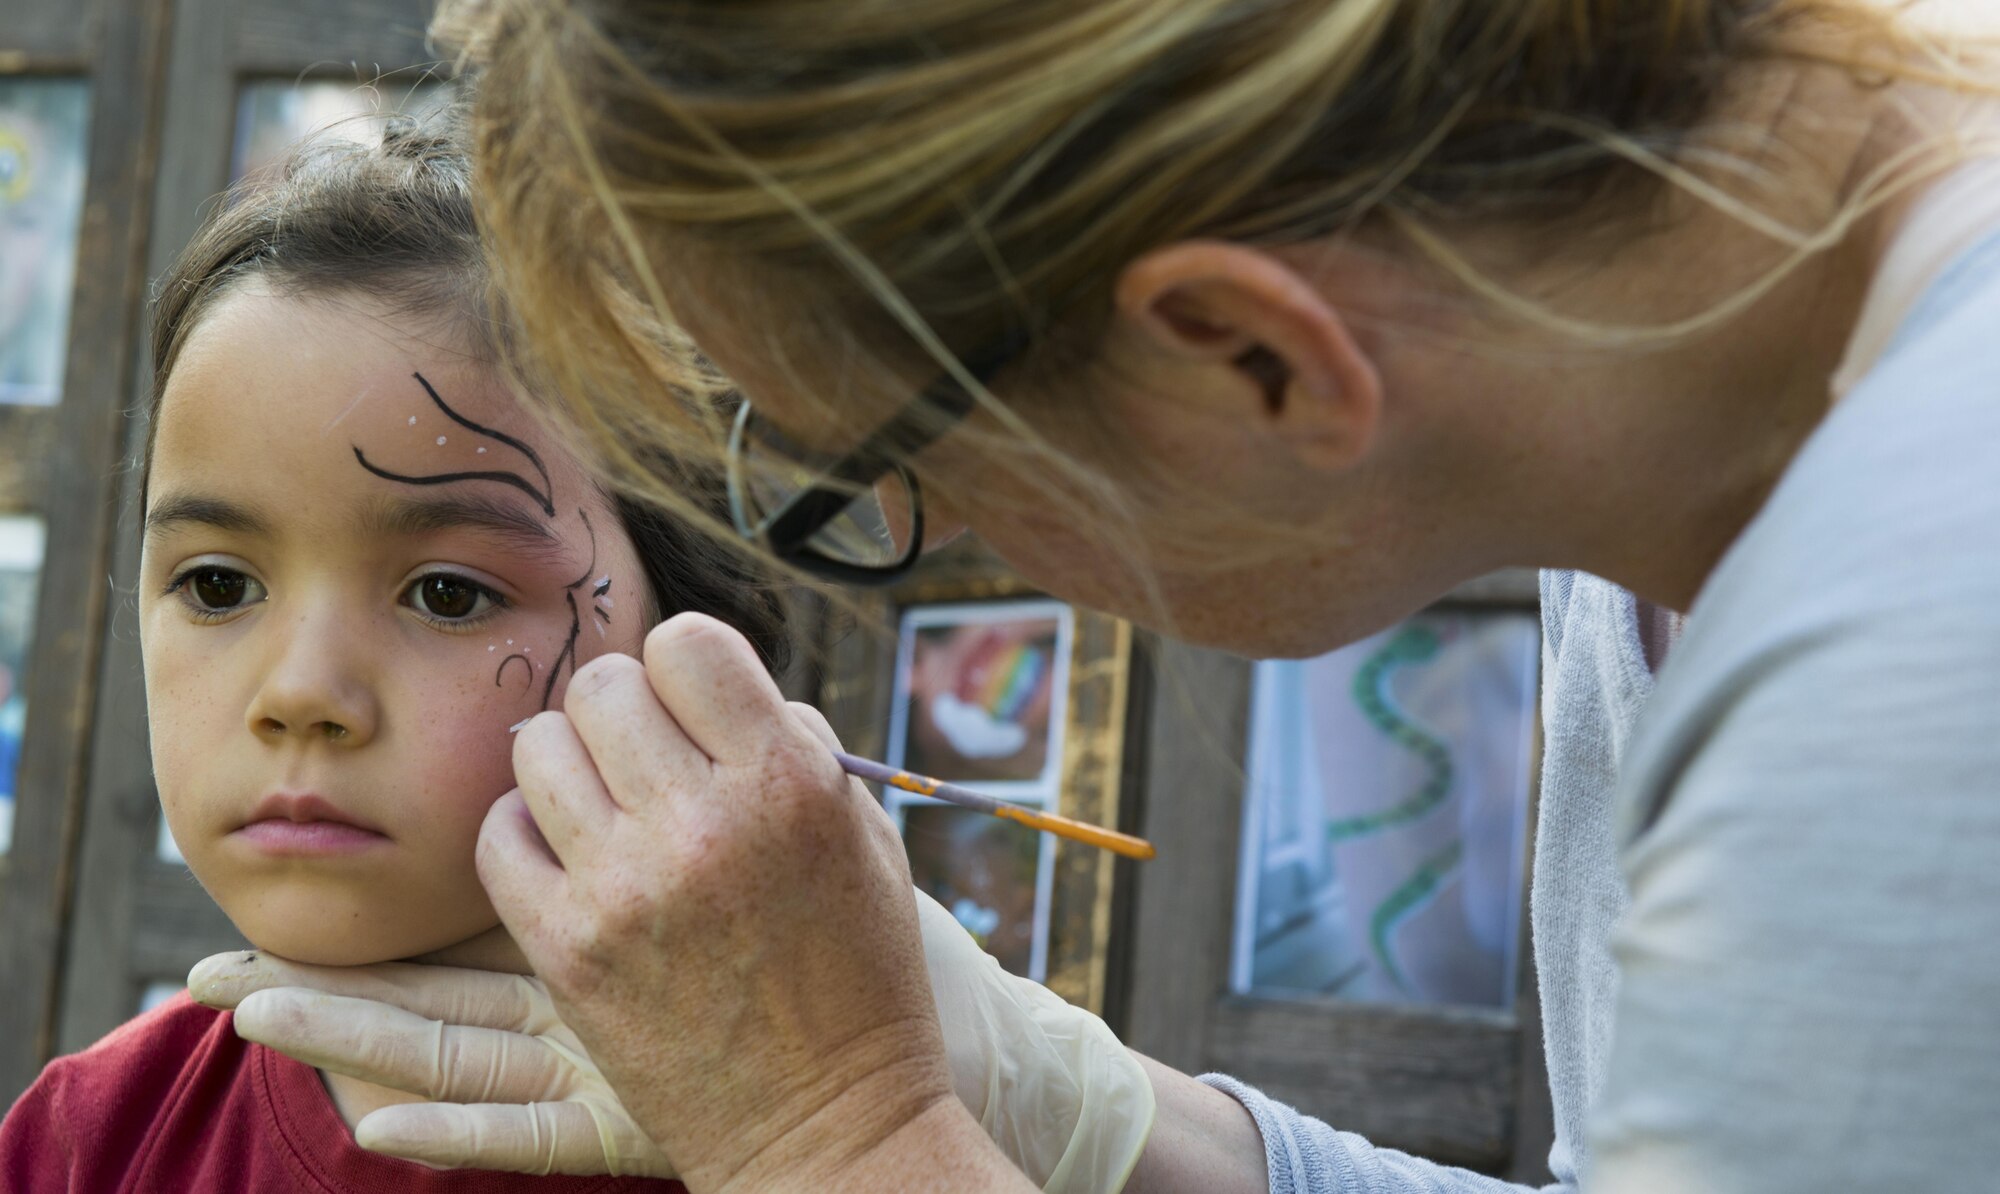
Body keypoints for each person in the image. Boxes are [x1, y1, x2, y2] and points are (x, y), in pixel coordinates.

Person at [193, 2, 2000, 1192]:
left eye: (875, 467)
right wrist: (1117, 1118)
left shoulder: (1909, 693)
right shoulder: (1693, 489)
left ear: (1247, 358)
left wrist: (844, 1129)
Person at [0, 107, 795, 1191]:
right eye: (218, 584)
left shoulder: (821, 1126)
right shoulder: (86, 1144)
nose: (300, 695)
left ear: (693, 642)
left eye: (447, 595)